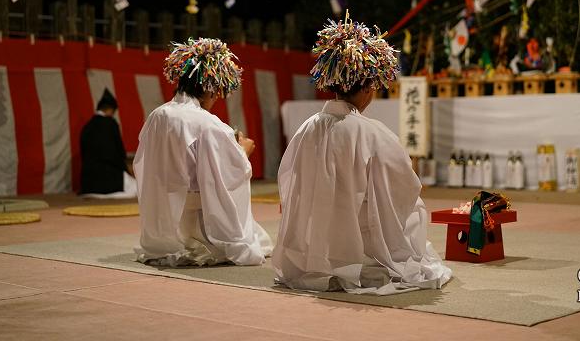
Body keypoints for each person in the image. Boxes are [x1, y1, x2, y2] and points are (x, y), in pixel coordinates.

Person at [273, 15, 452, 295]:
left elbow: (289, 182)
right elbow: (403, 188)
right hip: (361, 243)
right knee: (414, 206)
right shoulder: (373, 133)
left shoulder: (306, 128)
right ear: (369, 86)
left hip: (314, 242)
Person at [134, 38, 272, 266]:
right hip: (197, 203)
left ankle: (172, 240)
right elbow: (223, 174)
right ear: (208, 88)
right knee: (260, 241)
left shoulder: (157, 115)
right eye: (217, 91)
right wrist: (242, 151)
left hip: (165, 202)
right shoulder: (207, 123)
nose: (217, 97)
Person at [80, 89, 136, 196]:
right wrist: (127, 170)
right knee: (137, 188)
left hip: (88, 184)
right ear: (111, 110)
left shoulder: (86, 127)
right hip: (110, 181)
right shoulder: (111, 124)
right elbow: (119, 153)